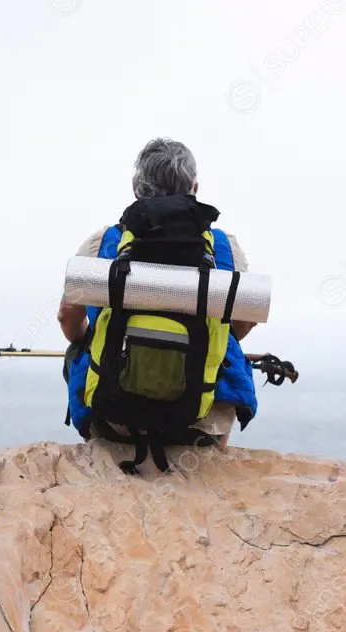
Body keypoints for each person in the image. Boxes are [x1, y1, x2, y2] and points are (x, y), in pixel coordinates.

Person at [58, 137, 259, 449]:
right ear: (194, 187)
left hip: (115, 420)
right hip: (199, 420)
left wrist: (84, 340)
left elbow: (68, 318)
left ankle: (104, 441)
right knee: (228, 352)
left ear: (137, 189)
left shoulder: (101, 244)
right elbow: (245, 322)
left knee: (77, 351)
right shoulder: (225, 248)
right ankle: (209, 446)